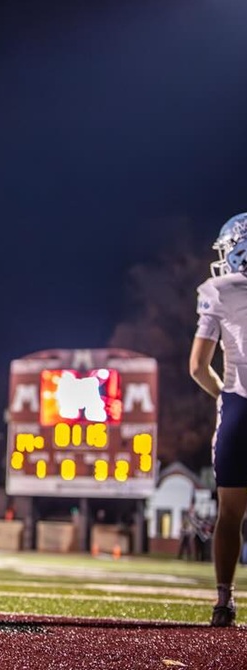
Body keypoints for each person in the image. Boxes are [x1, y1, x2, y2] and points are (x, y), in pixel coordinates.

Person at [190, 211, 247, 627]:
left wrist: (222, 398)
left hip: (240, 409)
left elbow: (197, 366)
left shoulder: (219, 289)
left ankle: (224, 601)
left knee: (230, 514)